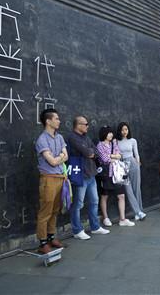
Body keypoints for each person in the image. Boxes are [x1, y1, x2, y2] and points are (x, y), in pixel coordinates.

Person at [67, 116, 109, 240]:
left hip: (91, 174)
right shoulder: (71, 137)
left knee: (94, 201)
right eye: (85, 124)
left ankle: (95, 227)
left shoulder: (86, 137)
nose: (87, 126)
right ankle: (77, 230)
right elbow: (87, 153)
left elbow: (95, 152)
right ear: (78, 125)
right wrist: (89, 152)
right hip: (80, 175)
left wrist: (90, 152)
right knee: (78, 204)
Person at [34, 109, 68, 254]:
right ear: (48, 121)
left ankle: (51, 237)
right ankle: (42, 243)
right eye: (56, 118)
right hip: (48, 179)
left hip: (60, 178)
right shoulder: (42, 139)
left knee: (55, 210)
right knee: (45, 211)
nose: (59, 121)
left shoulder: (59, 137)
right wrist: (60, 157)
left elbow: (66, 156)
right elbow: (53, 162)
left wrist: (59, 158)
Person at [96, 126, 135, 227]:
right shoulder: (100, 145)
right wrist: (114, 157)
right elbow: (104, 159)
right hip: (106, 174)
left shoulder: (114, 143)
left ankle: (122, 219)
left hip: (117, 174)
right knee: (105, 196)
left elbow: (120, 155)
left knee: (121, 196)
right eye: (109, 133)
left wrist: (112, 156)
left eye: (111, 133)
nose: (111, 135)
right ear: (104, 134)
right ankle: (105, 218)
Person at [116, 122, 146, 221]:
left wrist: (137, 163)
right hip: (122, 166)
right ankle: (138, 211)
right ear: (119, 131)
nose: (124, 132)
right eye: (122, 130)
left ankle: (139, 212)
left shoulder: (133, 140)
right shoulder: (116, 141)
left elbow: (136, 154)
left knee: (136, 188)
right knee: (128, 190)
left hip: (133, 163)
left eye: (126, 129)